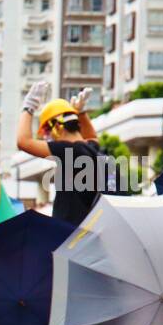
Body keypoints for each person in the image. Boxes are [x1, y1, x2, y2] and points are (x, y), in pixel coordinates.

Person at [16, 82, 117, 226]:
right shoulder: (93, 150)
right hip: (91, 230)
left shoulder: (68, 150)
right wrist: (81, 112)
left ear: (57, 126)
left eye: (46, 132)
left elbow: (23, 142)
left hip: (68, 233)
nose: (46, 138)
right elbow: (93, 137)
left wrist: (28, 107)